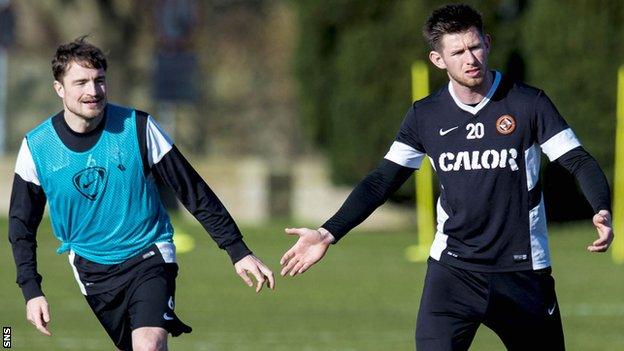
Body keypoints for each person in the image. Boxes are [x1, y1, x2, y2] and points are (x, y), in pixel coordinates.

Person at [280, 4, 614, 350]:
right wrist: (327, 232)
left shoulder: (529, 104)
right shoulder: (426, 115)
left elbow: (578, 161)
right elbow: (382, 181)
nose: (470, 58)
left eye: (475, 46)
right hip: (453, 273)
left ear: (487, 42)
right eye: (458, 52)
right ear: (438, 60)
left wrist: (601, 208)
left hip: (522, 270)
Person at [8, 37, 275, 351]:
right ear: (59, 88)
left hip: (149, 254)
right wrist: (31, 290)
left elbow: (192, 190)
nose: (92, 92)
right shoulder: (37, 147)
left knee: (148, 345)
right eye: (80, 82)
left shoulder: (138, 128)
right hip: (91, 268)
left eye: (99, 81)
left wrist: (237, 249)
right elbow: (21, 226)